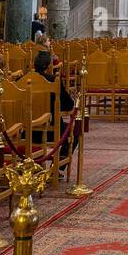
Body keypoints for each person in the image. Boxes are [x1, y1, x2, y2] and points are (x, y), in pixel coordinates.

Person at [32, 48, 77, 176]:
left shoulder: (24, 80)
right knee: (74, 134)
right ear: (49, 66)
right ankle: (55, 169)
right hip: (51, 130)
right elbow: (69, 104)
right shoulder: (53, 81)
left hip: (25, 131)